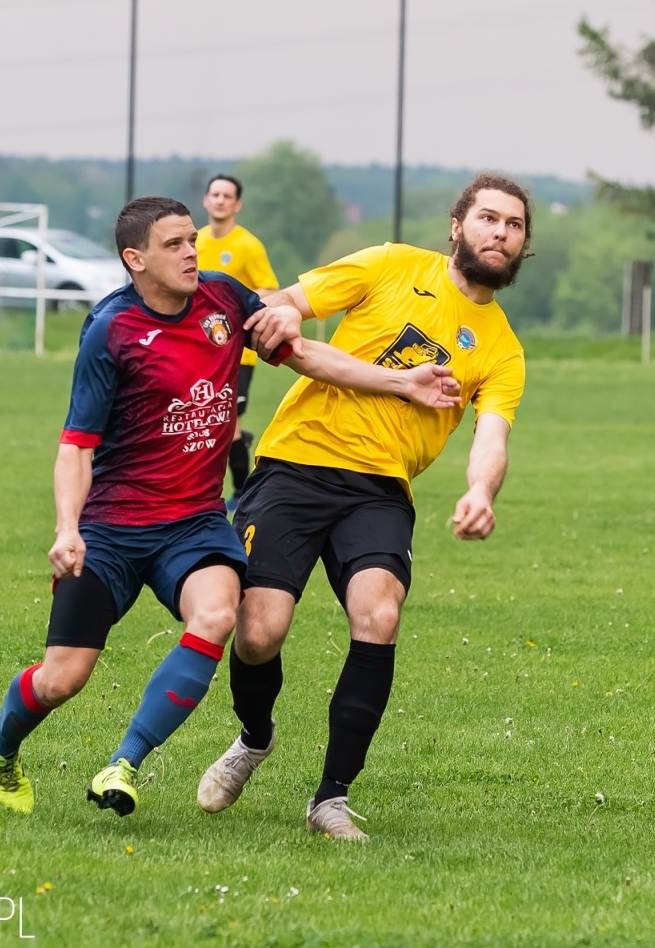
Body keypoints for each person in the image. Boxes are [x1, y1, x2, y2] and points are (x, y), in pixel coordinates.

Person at [0, 195, 461, 818]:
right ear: (136, 259)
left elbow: (305, 356)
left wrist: (403, 380)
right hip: (113, 527)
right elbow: (76, 446)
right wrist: (68, 528)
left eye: (192, 241)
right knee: (62, 679)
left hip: (195, 522)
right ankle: (2, 743)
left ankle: (125, 764)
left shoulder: (226, 299)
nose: (191, 253)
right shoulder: (111, 331)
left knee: (216, 616)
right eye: (175, 245)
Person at [195, 173, 530, 842]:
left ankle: (331, 800)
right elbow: (291, 299)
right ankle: (254, 738)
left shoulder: (502, 348)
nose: (501, 232)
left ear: (523, 247)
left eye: (515, 225)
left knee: (379, 613)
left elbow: (490, 437)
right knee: (259, 633)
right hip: (294, 465)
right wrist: (287, 311)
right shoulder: (391, 265)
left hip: (380, 487)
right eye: (488, 218)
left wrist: (478, 491)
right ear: (457, 226)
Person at [194, 174, 279, 508]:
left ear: (237, 204)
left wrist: (231, 304)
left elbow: (270, 290)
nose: (220, 200)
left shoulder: (247, 245)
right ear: (205, 200)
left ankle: (241, 491)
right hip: (198, 348)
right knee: (204, 419)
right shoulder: (196, 242)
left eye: (227, 196)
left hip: (235, 351)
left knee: (228, 421)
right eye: (214, 194)